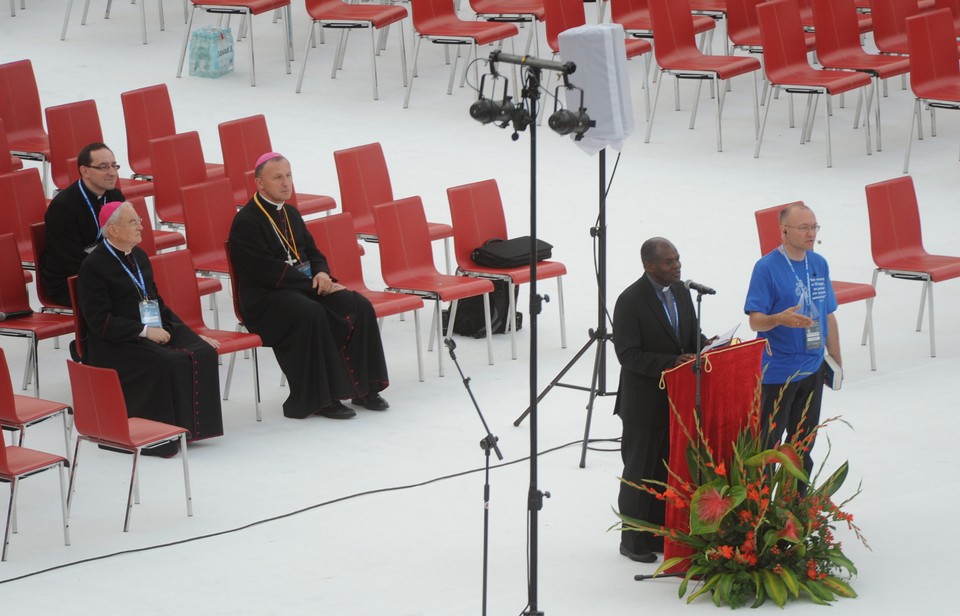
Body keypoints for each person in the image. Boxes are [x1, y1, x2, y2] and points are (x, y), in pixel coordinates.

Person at [228, 152, 389, 420]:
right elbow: (264, 271)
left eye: (288, 176)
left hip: (303, 288)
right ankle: (322, 399)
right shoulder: (246, 221)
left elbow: (314, 253)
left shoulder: (290, 213)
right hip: (266, 299)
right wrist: (312, 284)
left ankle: (365, 389)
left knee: (357, 303)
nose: (285, 183)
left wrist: (323, 274)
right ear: (259, 183)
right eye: (277, 177)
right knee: (311, 313)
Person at [78, 201, 224, 456]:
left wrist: (192, 335)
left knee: (203, 351)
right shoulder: (94, 266)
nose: (140, 226)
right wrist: (144, 332)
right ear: (112, 230)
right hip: (115, 341)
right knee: (168, 362)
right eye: (133, 222)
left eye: (140, 220)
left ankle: (193, 430)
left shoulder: (139, 255)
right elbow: (99, 320)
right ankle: (162, 437)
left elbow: (156, 303)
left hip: (150, 326)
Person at [613, 237, 708, 563]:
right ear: (649, 265)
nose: (677, 265)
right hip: (642, 404)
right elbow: (628, 355)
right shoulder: (630, 301)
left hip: (676, 401)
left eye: (678, 259)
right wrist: (671, 364)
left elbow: (690, 335)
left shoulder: (682, 292)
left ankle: (655, 532)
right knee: (639, 471)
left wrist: (710, 345)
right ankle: (631, 538)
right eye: (669, 262)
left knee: (664, 469)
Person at [744, 202, 840, 482]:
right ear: (784, 231)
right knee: (768, 447)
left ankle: (794, 511)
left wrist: (836, 358)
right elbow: (755, 321)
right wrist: (778, 319)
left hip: (812, 367)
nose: (811, 233)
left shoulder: (818, 263)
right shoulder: (766, 268)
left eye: (814, 227)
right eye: (804, 228)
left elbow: (828, 313)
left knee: (803, 445)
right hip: (778, 373)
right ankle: (761, 514)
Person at [41, 142, 126, 307]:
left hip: (105, 274)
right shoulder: (63, 206)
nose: (112, 173)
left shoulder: (115, 196)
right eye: (104, 167)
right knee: (125, 302)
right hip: (71, 282)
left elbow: (125, 239)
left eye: (114, 166)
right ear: (84, 171)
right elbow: (69, 260)